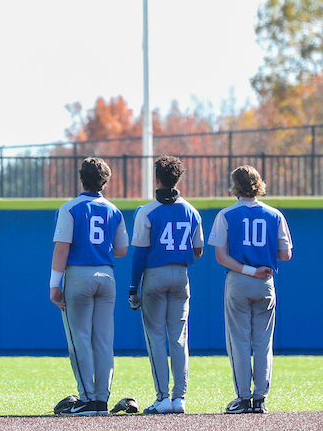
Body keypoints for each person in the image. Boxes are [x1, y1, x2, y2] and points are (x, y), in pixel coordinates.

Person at [208, 165, 293, 414]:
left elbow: (221, 256)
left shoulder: (226, 214)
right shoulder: (274, 214)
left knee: (239, 341)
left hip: (239, 280)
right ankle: (260, 399)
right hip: (266, 281)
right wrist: (262, 261)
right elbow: (286, 255)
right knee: (263, 342)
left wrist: (248, 269)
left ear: (235, 186)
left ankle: (244, 398)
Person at [50, 157, 129, 416]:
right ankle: (102, 400)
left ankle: (87, 399)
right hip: (106, 277)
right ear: (104, 181)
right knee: (104, 340)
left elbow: (62, 249)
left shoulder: (70, 208)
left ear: (81, 178)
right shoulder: (114, 210)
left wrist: (54, 284)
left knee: (80, 339)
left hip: (79, 275)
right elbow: (121, 250)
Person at [127, 155, 203, 414]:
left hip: (155, 275)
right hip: (181, 275)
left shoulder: (146, 211)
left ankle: (162, 398)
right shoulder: (191, 210)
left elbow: (139, 254)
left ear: (157, 178)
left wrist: (133, 287)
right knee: (179, 337)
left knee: (156, 337)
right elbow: (198, 249)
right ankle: (180, 398)